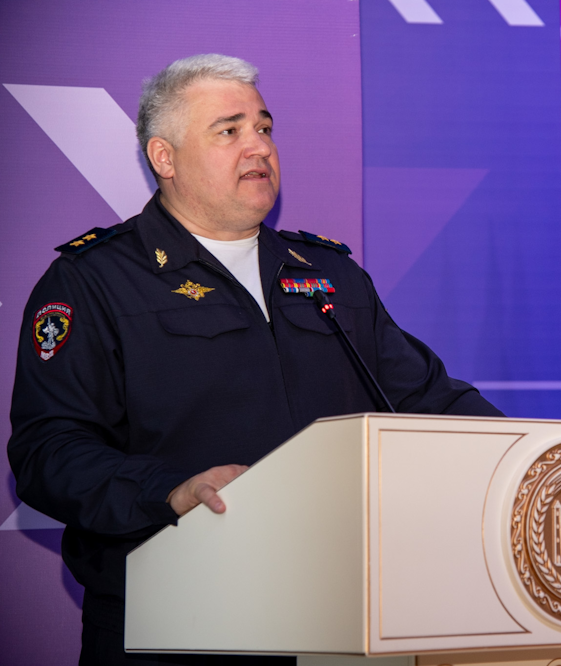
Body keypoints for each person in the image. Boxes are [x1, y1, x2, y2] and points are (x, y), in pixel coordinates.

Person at [7, 54, 503, 665]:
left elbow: (427, 397)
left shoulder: (329, 273)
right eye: (229, 130)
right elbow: (49, 451)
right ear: (164, 158)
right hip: (176, 624)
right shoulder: (95, 281)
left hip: (337, 615)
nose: (259, 146)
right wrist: (170, 492)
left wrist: (529, 452)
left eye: (264, 127)